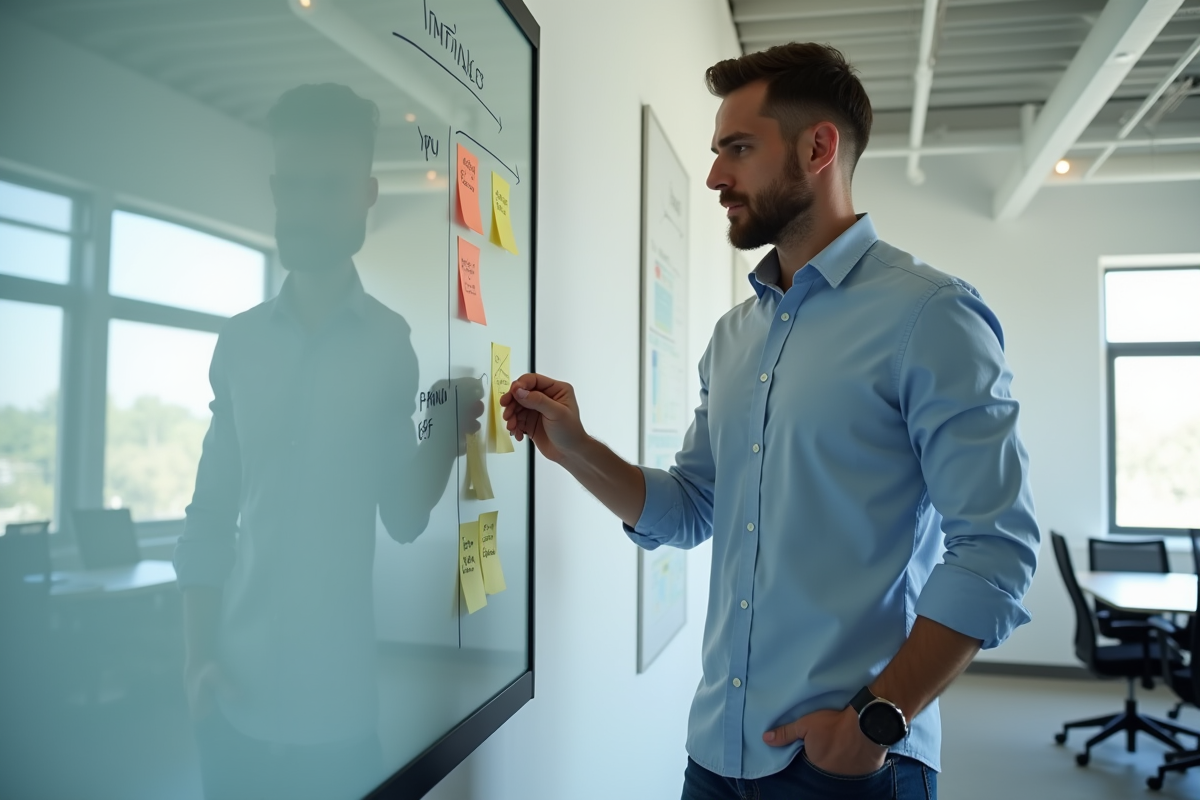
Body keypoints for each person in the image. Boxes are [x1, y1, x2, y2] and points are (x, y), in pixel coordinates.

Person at [501, 43, 1039, 800]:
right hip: (718, 751)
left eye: (739, 149)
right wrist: (577, 450)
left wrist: (876, 720)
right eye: (718, 151)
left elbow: (997, 547)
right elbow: (692, 509)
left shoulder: (932, 315)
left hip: (850, 765)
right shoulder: (734, 336)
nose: (718, 175)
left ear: (818, 147)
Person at [174, 83, 483, 800]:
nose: (305, 207)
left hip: (339, 713)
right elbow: (208, 515)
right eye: (293, 186)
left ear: (367, 193)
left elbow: (404, 516)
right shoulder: (239, 343)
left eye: (328, 186)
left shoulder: (388, 345)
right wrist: (196, 664)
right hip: (231, 702)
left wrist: (445, 427)